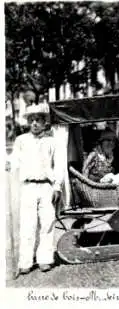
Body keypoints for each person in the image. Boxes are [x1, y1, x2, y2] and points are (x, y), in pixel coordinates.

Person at [7, 103, 63, 274]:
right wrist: (8, 164)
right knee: (27, 225)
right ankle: (25, 261)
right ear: (28, 122)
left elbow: (59, 165)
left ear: (45, 122)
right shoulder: (21, 141)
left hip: (46, 186)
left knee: (47, 223)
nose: (35, 123)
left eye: (38, 120)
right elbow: (14, 160)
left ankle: (45, 259)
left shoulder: (52, 141)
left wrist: (57, 186)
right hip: (29, 186)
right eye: (32, 120)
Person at [82, 129, 119, 214]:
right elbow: (84, 175)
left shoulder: (111, 156)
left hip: (109, 189)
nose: (111, 143)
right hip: (97, 191)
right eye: (107, 140)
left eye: (113, 141)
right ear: (101, 142)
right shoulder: (93, 155)